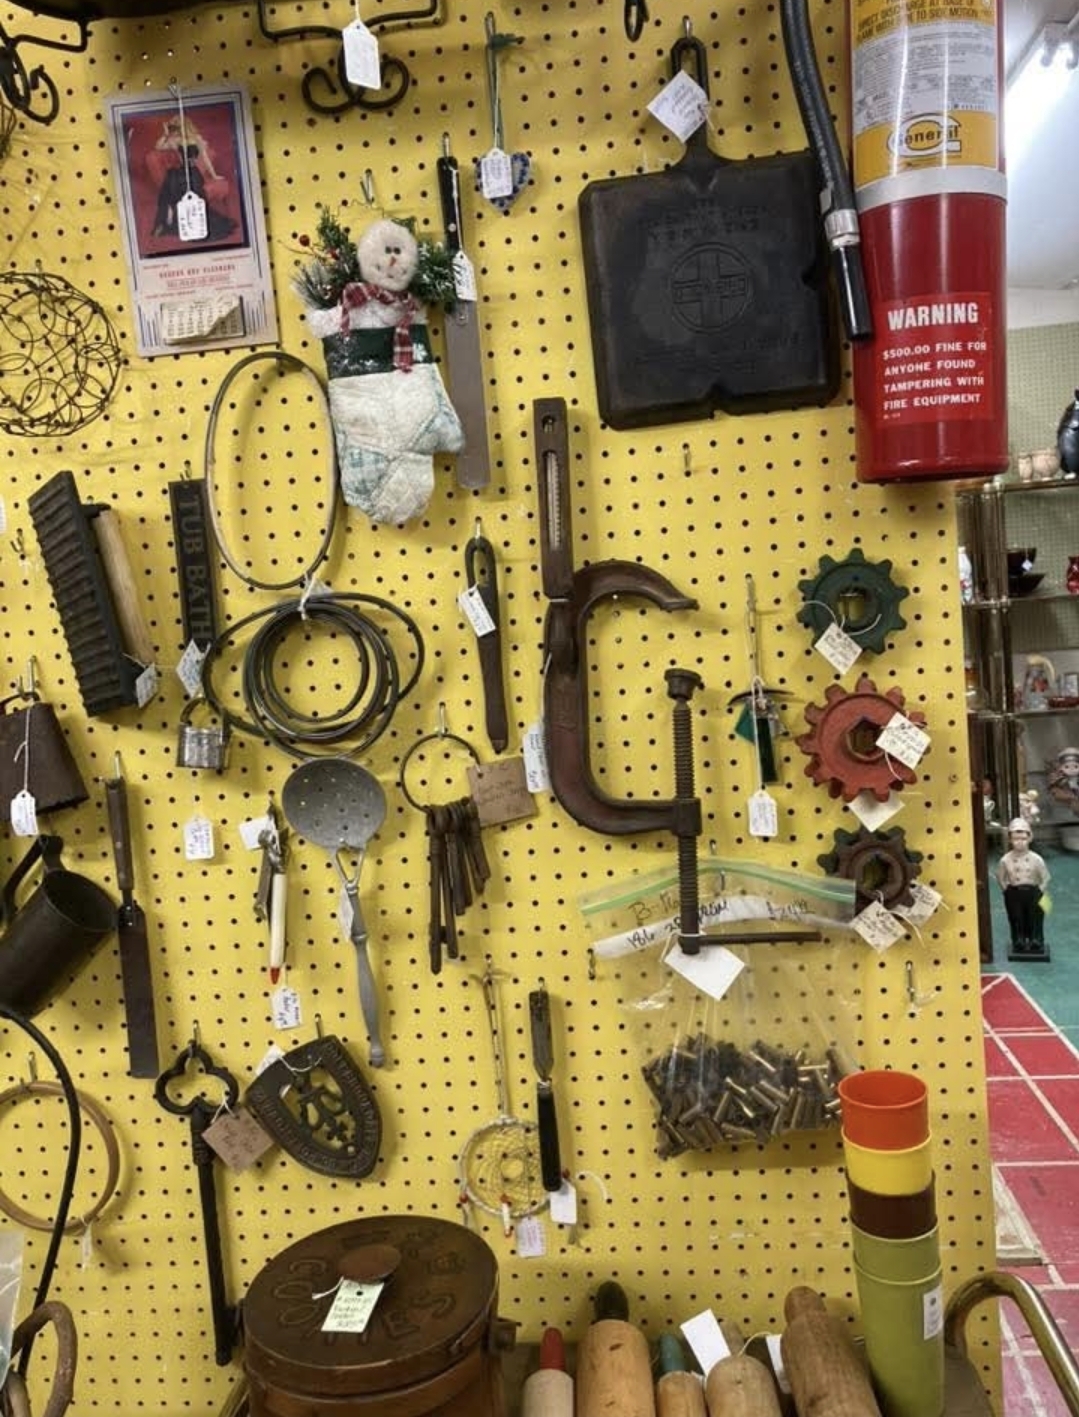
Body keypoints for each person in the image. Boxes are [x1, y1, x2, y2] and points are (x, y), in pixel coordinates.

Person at [147, 116, 236, 241]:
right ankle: (168, 217)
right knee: (170, 178)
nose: (176, 129)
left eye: (177, 126)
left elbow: (205, 158)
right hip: (179, 173)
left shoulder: (197, 139)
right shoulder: (175, 140)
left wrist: (214, 175)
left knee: (174, 184)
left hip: (193, 173)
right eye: (174, 126)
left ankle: (170, 218)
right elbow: (158, 147)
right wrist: (166, 134)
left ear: (185, 125)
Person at [995, 818, 1050, 955]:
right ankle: (1018, 940)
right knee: (1016, 917)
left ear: (1030, 838)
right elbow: (1000, 876)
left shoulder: (1036, 859)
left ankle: (1036, 940)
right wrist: (1006, 891)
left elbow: (1046, 877)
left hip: (1033, 892)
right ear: (1010, 840)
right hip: (1014, 892)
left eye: (1023, 839)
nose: (1020, 842)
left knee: (1035, 917)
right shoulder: (1005, 860)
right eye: (1016, 839)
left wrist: (1040, 891)